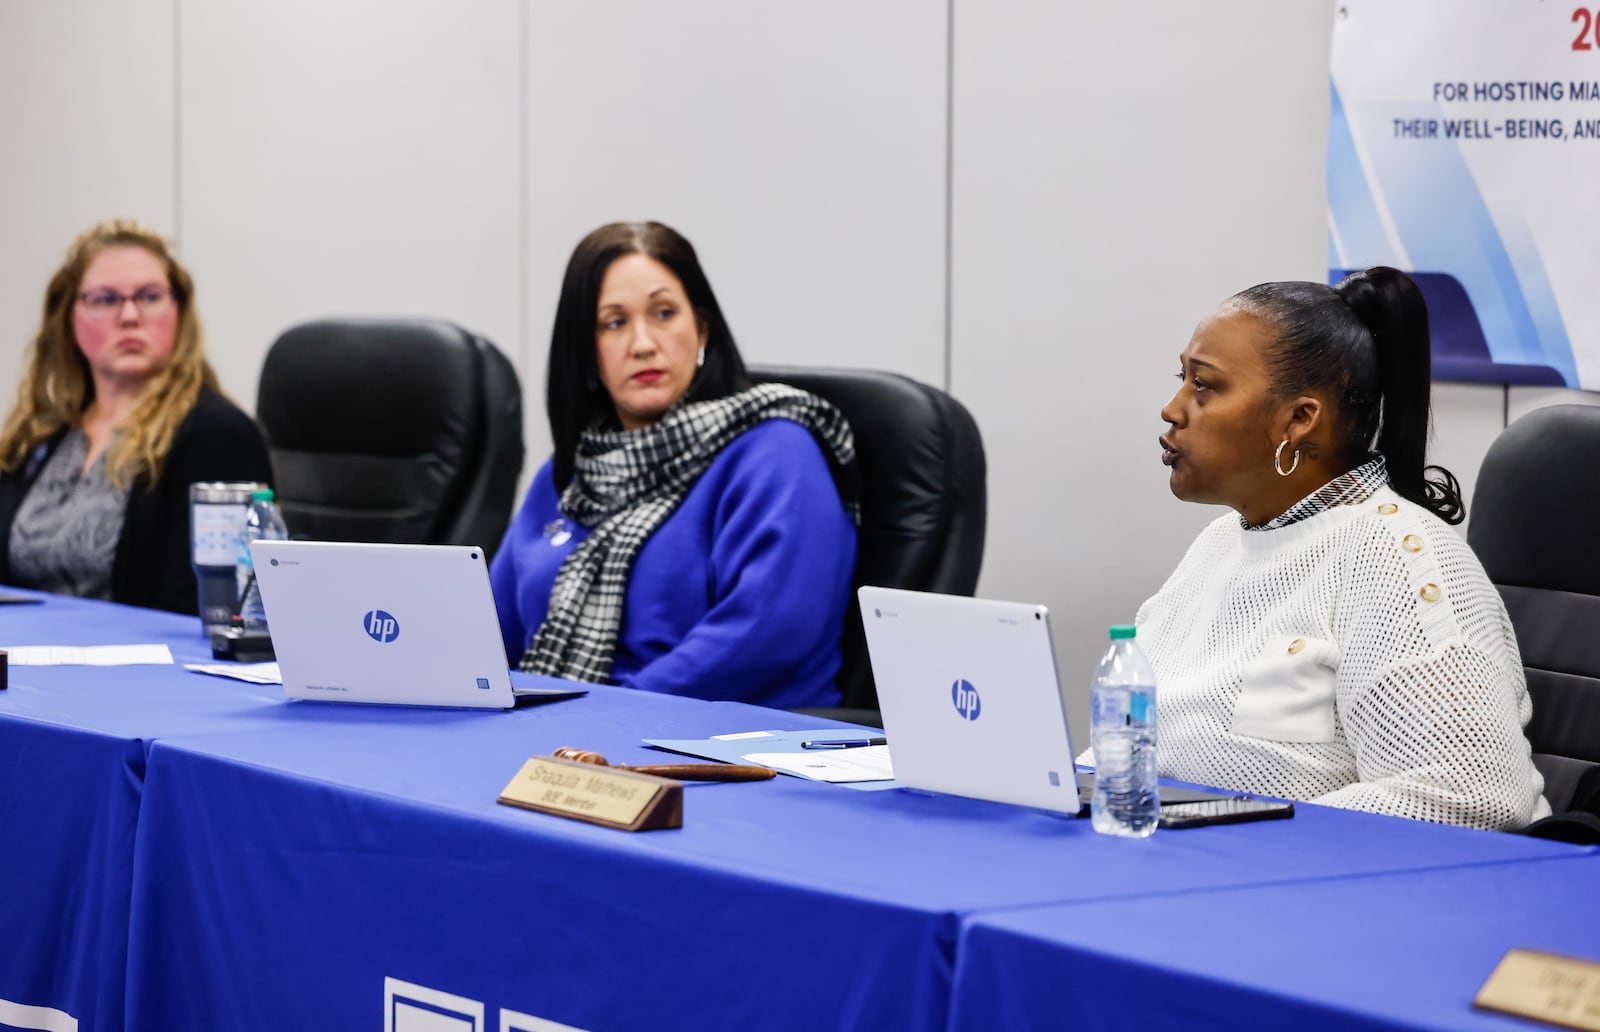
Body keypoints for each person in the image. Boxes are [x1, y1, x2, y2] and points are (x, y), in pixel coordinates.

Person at [1135, 265, 1548, 830]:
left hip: (1328, 895)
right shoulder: (1220, 546)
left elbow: (1470, 791)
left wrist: (1241, 829)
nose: (1173, 409)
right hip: (1198, 871)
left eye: (1204, 385)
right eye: (1182, 379)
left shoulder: (1400, 560)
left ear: (1300, 420)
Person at [491, 222, 858, 708]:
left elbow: (766, 630)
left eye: (664, 314)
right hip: (574, 733)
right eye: (614, 322)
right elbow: (488, 630)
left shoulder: (777, 450)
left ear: (701, 329)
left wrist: (600, 713)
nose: (643, 343)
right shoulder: (570, 473)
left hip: (731, 745)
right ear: (586, 352)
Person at [0, 219, 273, 615]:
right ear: (68, 315)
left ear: (178, 310)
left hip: (140, 667)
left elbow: (200, 609)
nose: (129, 315)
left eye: (149, 296)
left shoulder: (217, 435)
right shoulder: (41, 435)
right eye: (105, 299)